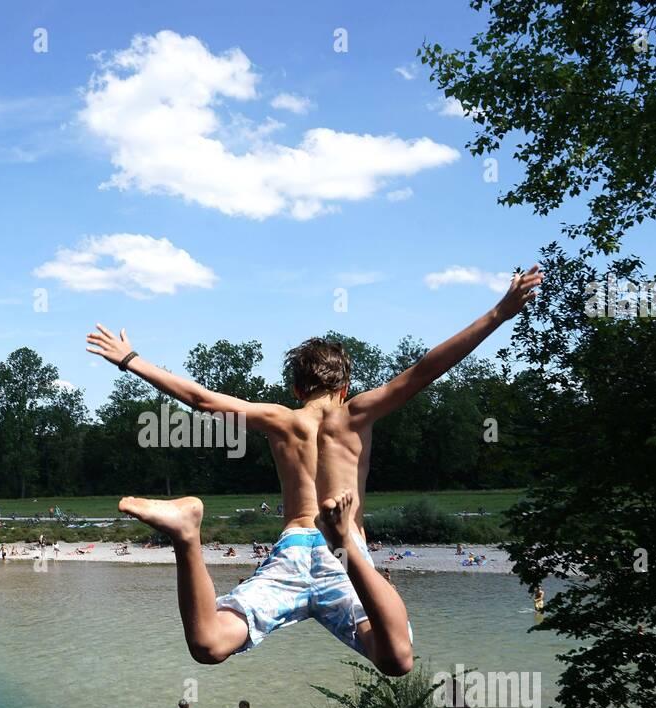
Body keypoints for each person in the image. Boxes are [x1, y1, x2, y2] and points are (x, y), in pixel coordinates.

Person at [84, 268, 543, 676]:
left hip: (291, 547)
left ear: (297, 387)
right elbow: (426, 370)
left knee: (208, 644)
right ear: (345, 386)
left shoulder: (280, 419)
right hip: (339, 552)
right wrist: (499, 313)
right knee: (397, 659)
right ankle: (345, 541)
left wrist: (130, 359)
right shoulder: (357, 413)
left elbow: (201, 399)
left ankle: (187, 536)